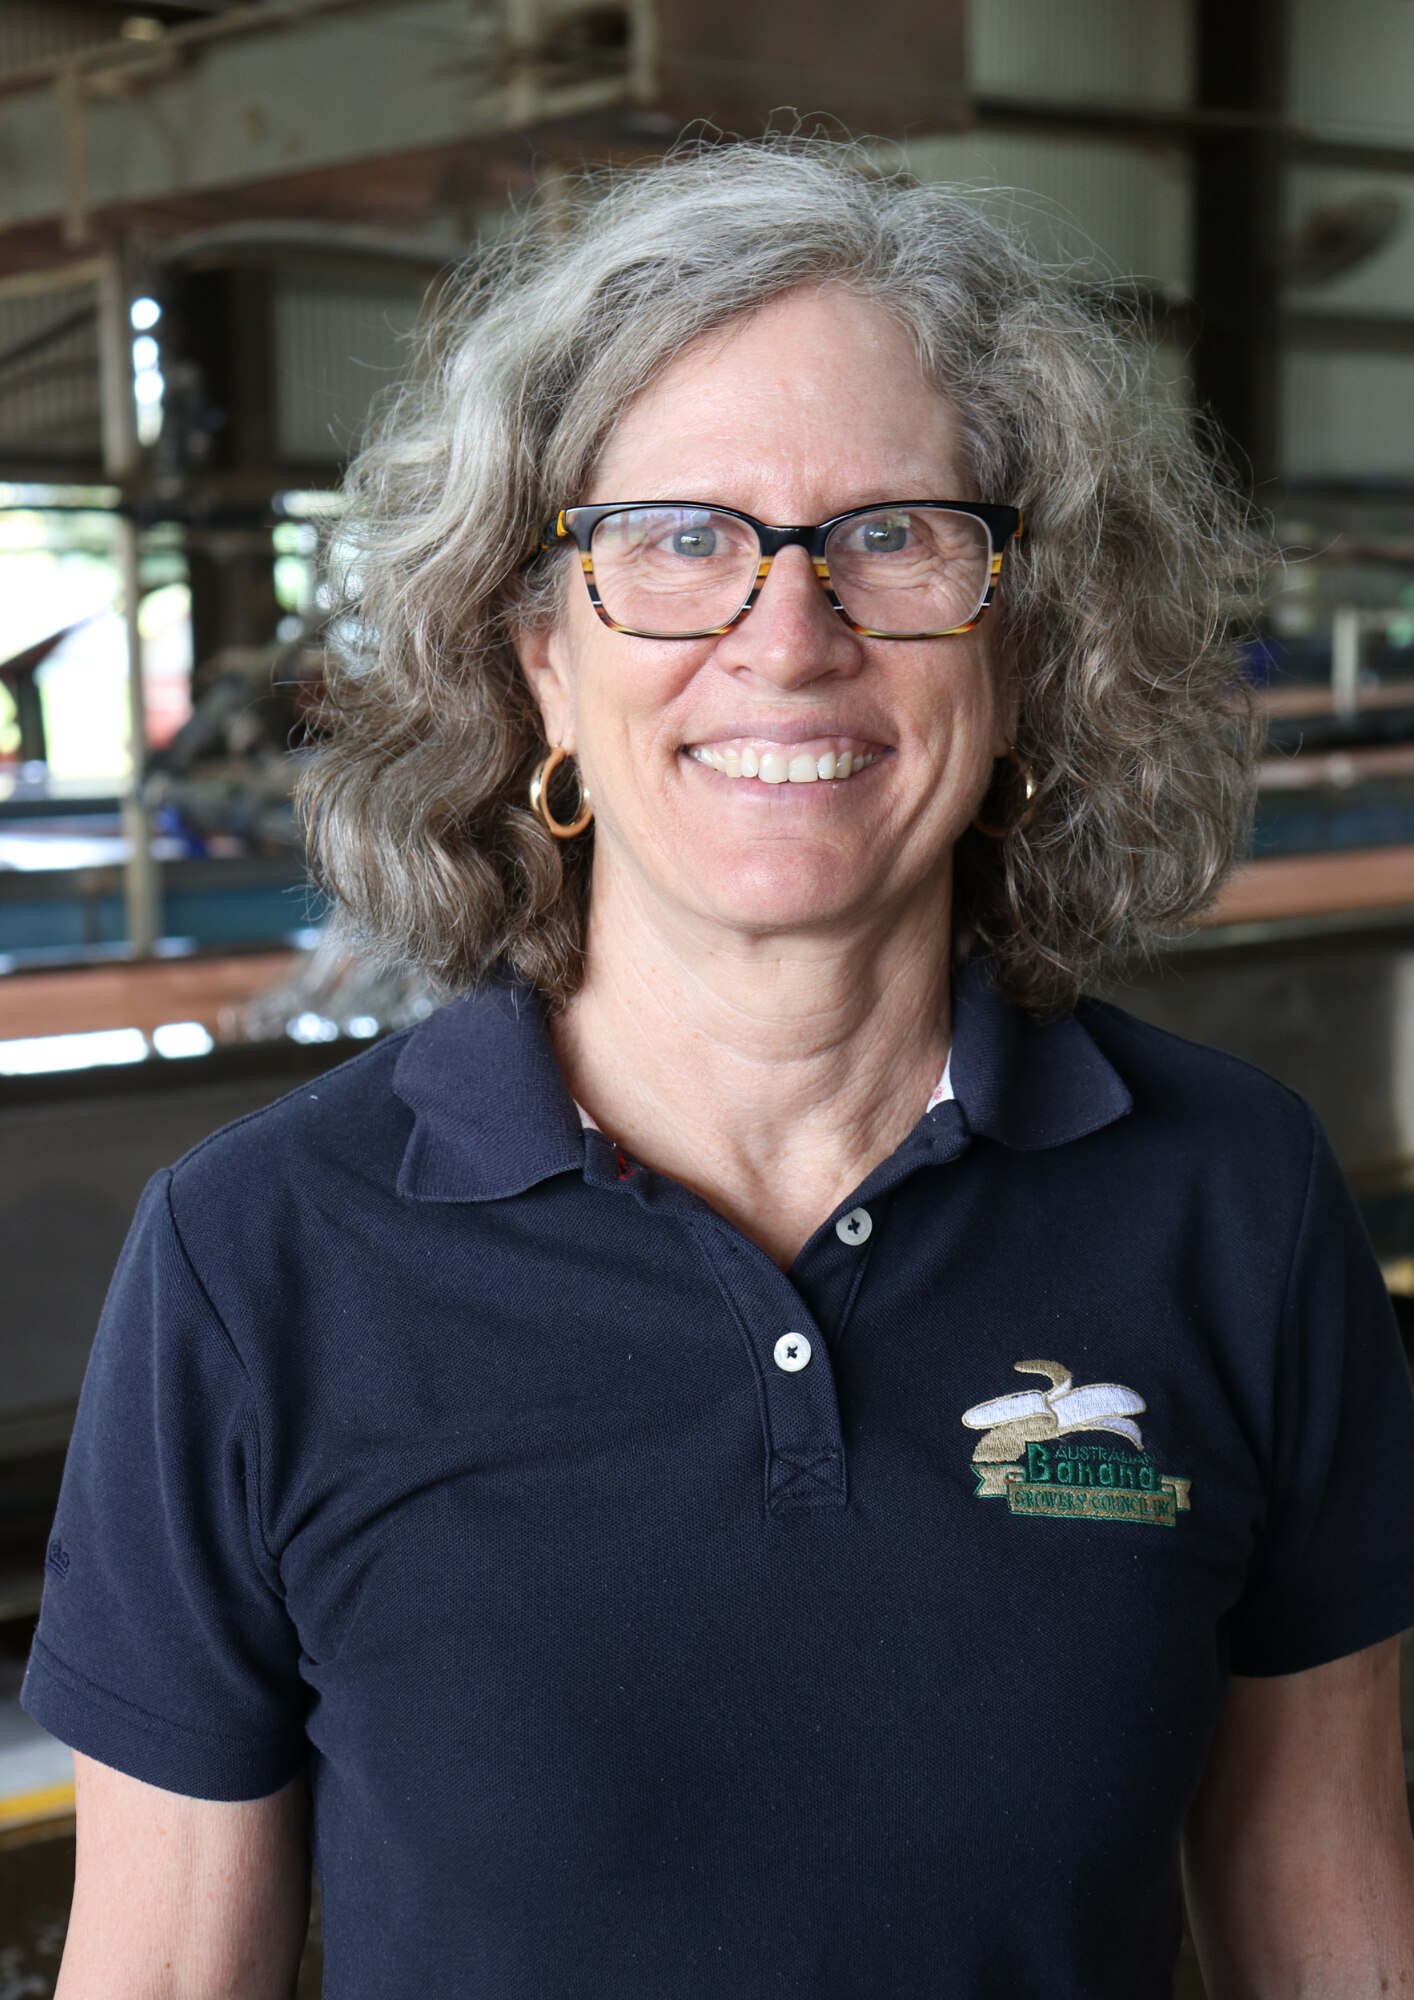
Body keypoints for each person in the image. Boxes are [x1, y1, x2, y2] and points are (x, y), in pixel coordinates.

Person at [23, 138, 1414, 1999]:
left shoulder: (1228, 1198)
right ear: (533, 657)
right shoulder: (259, 1260)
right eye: (675, 540)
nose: (788, 635)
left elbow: (1328, 1927)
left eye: (890, 536)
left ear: (1022, 650)